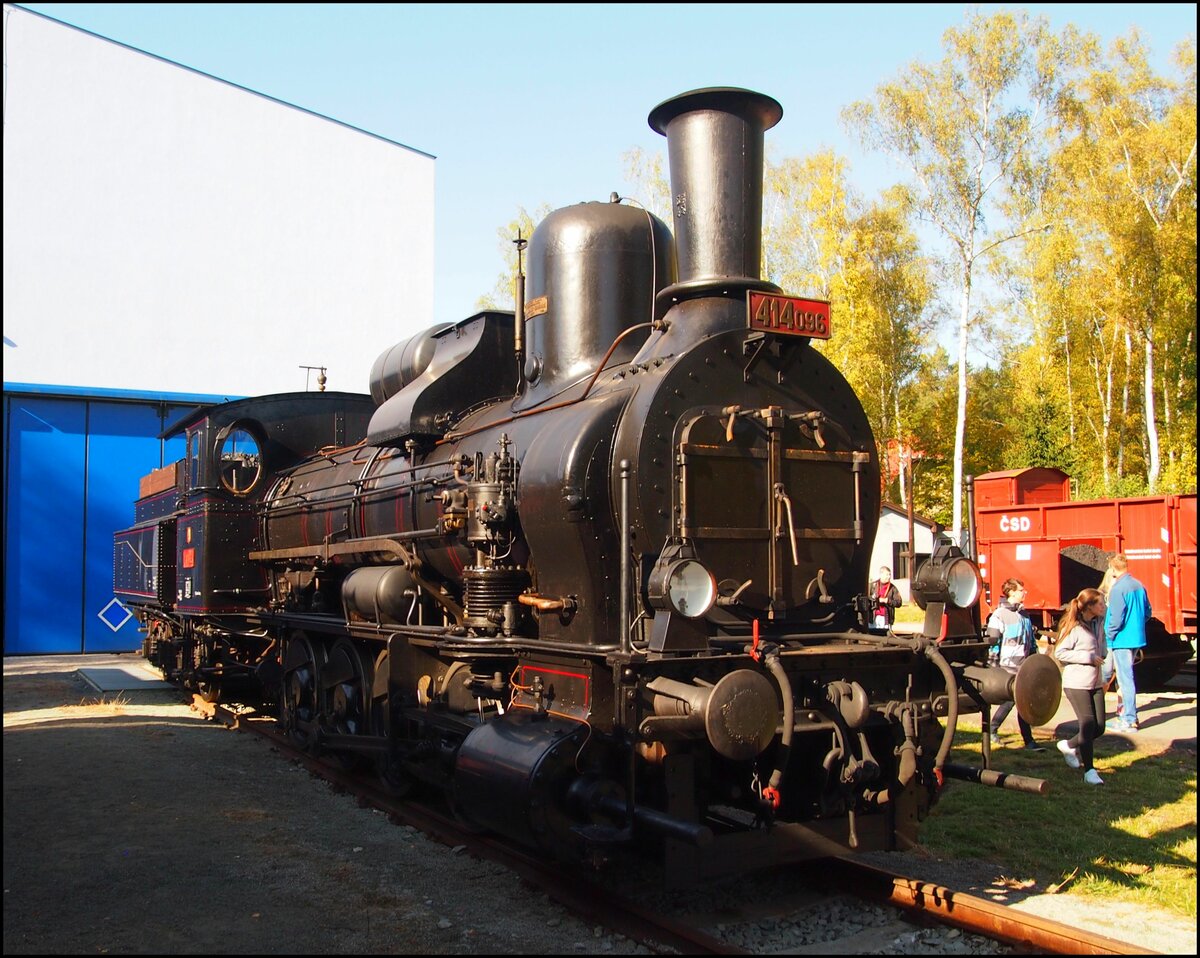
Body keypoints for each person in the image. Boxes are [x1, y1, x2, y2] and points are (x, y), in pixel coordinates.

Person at [1054, 587, 1109, 785]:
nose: (1104, 607)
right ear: (1089, 607)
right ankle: (1090, 771)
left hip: (1095, 681)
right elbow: (1060, 652)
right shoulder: (1074, 627)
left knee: (1099, 726)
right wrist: (1087, 657)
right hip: (1077, 683)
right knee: (1087, 724)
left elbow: (1101, 648)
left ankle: (1068, 745)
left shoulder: (1099, 623)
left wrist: (1103, 653)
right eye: (1100, 604)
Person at [985, 578, 1045, 750]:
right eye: (1020, 590)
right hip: (1007, 667)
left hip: (1024, 666)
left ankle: (1028, 740)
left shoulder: (1024, 614)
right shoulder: (999, 615)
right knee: (1012, 701)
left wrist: (1035, 661)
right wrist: (994, 668)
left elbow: (1031, 641)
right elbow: (993, 643)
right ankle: (994, 730)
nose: (1024, 593)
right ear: (1011, 592)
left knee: (1023, 701)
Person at [1104, 554, 1151, 732]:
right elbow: (1148, 611)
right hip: (1136, 637)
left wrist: (1109, 634)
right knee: (1127, 677)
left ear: (1113, 569)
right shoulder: (1139, 585)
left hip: (1121, 640)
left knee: (1125, 680)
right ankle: (1127, 716)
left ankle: (1129, 719)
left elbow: (1116, 618)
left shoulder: (1117, 589)